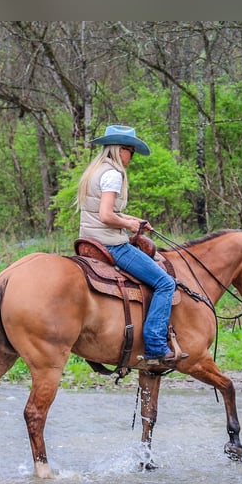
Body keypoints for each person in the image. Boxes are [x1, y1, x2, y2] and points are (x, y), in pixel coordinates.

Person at [76, 124, 186, 367]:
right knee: (165, 283)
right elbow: (106, 215)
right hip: (111, 244)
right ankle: (156, 345)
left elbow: (103, 213)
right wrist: (128, 225)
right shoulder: (113, 174)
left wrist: (131, 220)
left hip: (90, 240)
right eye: (131, 151)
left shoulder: (95, 171)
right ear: (120, 150)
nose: (132, 157)